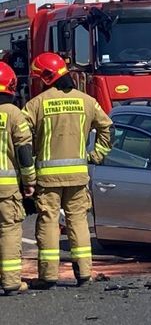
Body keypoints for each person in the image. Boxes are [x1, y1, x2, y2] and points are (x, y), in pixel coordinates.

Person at [23, 52, 112, 289]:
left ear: (47, 77)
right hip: (78, 176)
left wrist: (27, 170)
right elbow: (107, 128)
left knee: (49, 224)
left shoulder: (36, 104)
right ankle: (84, 274)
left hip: (47, 178)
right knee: (78, 223)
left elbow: (20, 136)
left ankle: (48, 276)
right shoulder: (87, 101)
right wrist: (97, 155)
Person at [0, 63, 36, 296]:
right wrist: (30, 180)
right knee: (9, 230)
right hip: (6, 188)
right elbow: (24, 150)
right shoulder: (13, 113)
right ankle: (11, 280)